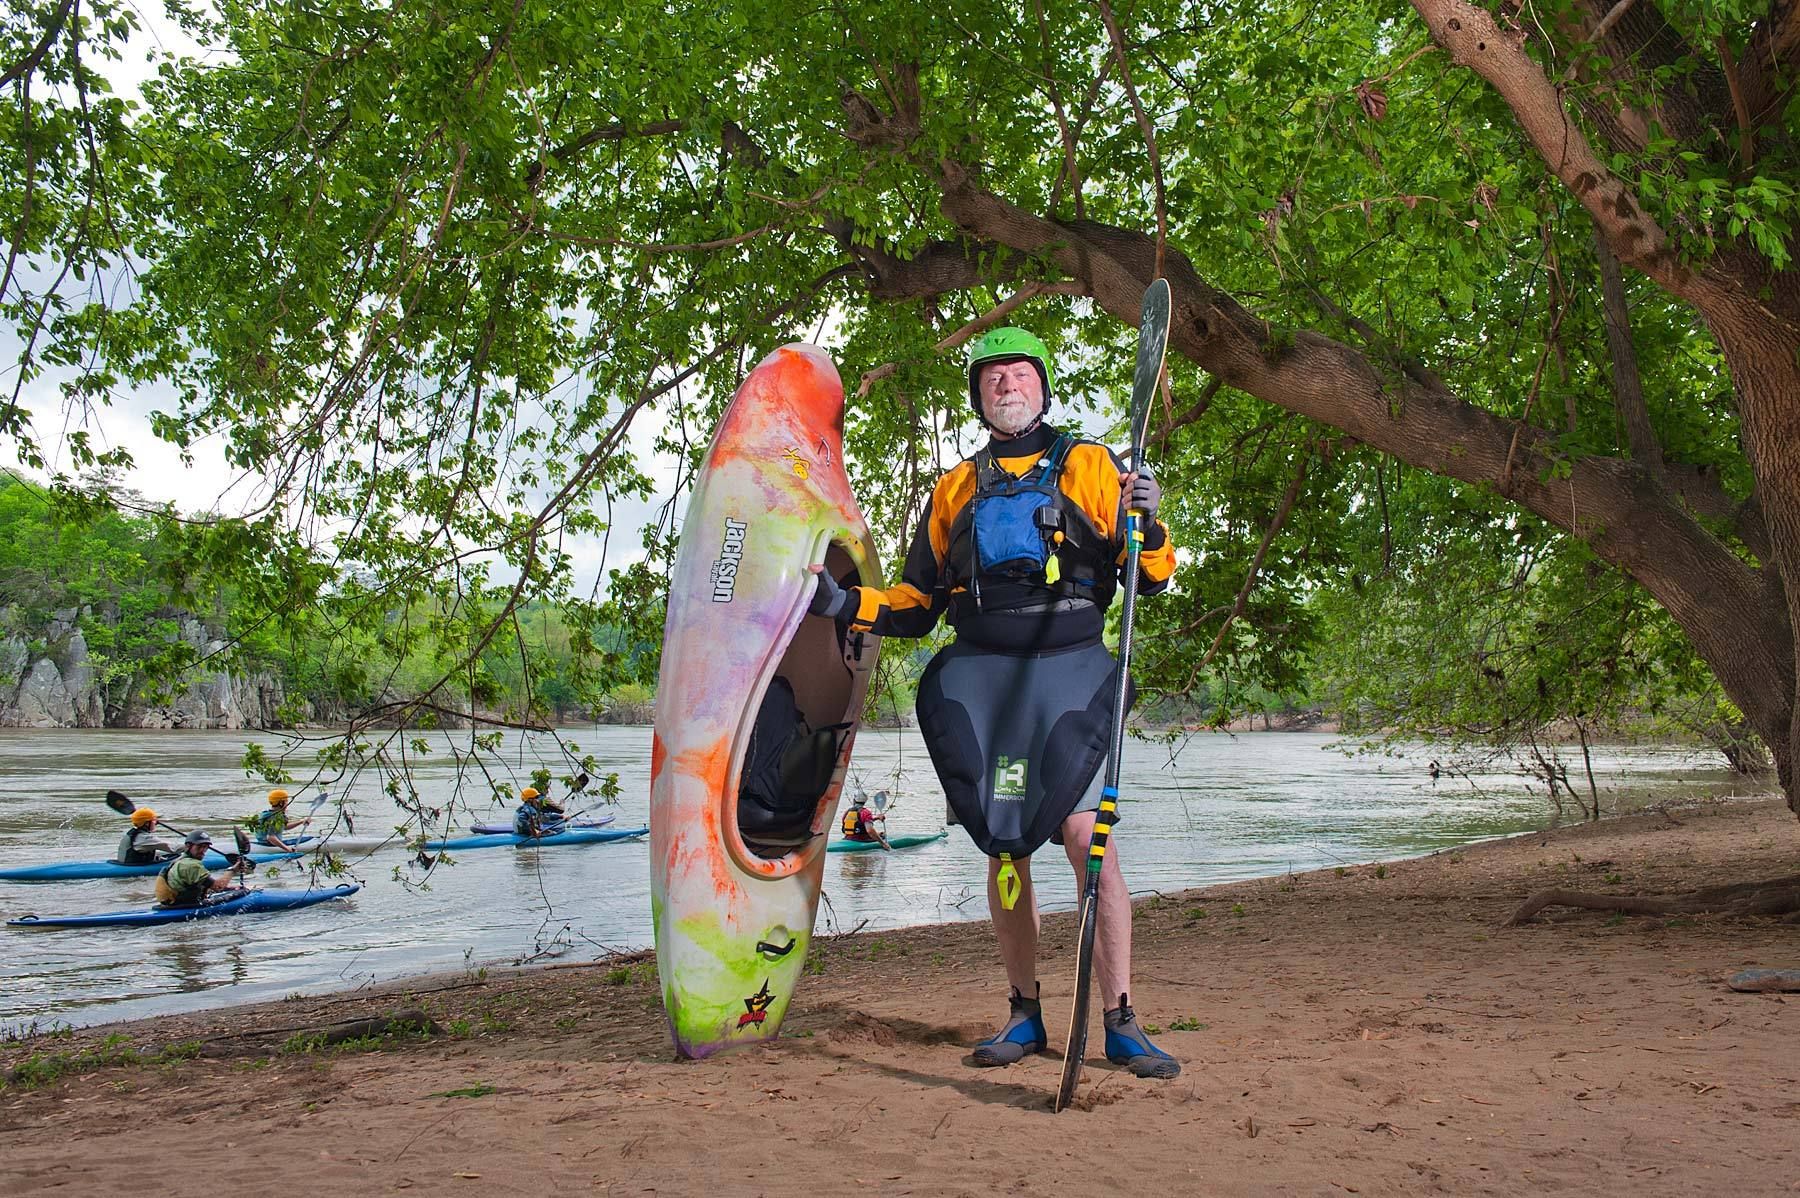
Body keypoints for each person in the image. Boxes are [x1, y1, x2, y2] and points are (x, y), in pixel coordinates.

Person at [808, 326, 1180, 1079]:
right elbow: (916, 604)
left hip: (1070, 672)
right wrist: (841, 601)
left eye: (1019, 374)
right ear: (979, 397)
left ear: (1043, 387)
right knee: (1004, 845)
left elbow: (1153, 576)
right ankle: (1023, 1013)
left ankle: (1121, 1019)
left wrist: (1151, 519)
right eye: (992, 378)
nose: (1006, 386)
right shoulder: (953, 489)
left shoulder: (1092, 466)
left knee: (1087, 840)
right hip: (986, 678)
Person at [154, 831, 247, 908]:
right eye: (199, 847)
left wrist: (230, 888)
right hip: (184, 906)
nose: (203, 850)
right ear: (188, 846)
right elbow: (218, 887)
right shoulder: (191, 865)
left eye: (205, 847)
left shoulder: (180, 861)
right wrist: (233, 870)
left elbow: (204, 887)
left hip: (175, 903)